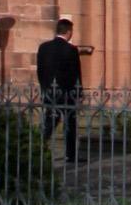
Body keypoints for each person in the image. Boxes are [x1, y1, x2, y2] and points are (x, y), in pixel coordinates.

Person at [36, 17, 91, 166]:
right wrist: (79, 93)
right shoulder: (71, 50)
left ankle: (37, 148)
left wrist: (44, 88)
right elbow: (75, 73)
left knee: (49, 121)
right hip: (67, 93)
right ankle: (70, 155)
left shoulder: (43, 47)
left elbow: (40, 71)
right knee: (70, 123)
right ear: (68, 32)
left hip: (49, 91)